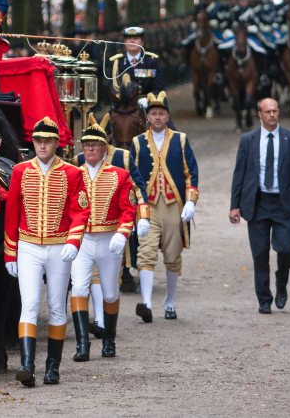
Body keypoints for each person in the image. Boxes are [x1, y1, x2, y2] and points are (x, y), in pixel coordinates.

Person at [4, 117, 90, 387]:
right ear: (33, 142)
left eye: (48, 140)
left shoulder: (72, 173)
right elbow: (12, 214)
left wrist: (73, 242)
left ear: (56, 143)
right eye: (39, 140)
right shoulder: (20, 171)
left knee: (55, 306)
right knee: (28, 305)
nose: (42, 145)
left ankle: (53, 367)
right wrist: (10, 253)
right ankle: (27, 366)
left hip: (58, 247)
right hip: (28, 246)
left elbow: (81, 210)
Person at [229, 97, 290, 314]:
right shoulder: (248, 140)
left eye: (275, 111)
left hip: (284, 204)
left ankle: (281, 282)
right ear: (259, 115)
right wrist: (234, 205)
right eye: (268, 111)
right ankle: (264, 299)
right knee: (260, 254)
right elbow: (239, 174)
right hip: (257, 203)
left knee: (286, 249)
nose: (272, 115)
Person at [128, 91, 199, 321]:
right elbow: (132, 177)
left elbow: (191, 173)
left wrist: (190, 200)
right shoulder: (137, 143)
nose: (157, 117)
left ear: (167, 117)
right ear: (147, 118)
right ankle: (147, 303)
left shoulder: (181, 139)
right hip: (148, 207)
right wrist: (137, 208)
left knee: (172, 254)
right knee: (145, 252)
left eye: (161, 113)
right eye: (153, 114)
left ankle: (170, 301)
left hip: (173, 205)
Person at [69, 119, 135, 361]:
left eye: (95, 145)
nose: (89, 149)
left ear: (104, 147)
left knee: (109, 293)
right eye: (86, 145)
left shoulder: (120, 175)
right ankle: (82, 344)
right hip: (82, 239)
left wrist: (122, 232)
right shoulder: (73, 174)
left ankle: (109, 339)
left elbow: (128, 208)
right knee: (78, 288)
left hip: (109, 239)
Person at [110, 27, 167, 109]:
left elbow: (158, 87)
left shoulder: (151, 61)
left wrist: (148, 99)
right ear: (125, 42)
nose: (132, 41)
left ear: (142, 42)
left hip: (148, 105)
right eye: (129, 38)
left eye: (136, 38)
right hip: (124, 107)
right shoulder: (118, 62)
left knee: (164, 120)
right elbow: (114, 88)